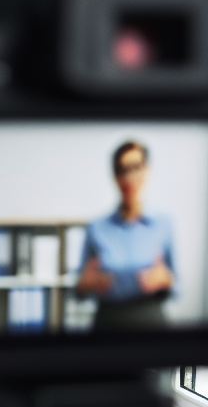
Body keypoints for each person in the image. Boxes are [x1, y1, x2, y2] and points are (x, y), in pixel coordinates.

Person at [75, 141, 175, 331]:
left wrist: (165, 279)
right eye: (122, 169)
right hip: (108, 321)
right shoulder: (96, 227)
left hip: (151, 320)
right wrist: (86, 284)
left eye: (136, 167)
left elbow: (175, 285)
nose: (129, 176)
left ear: (147, 170)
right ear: (114, 176)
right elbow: (79, 289)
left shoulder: (163, 224)